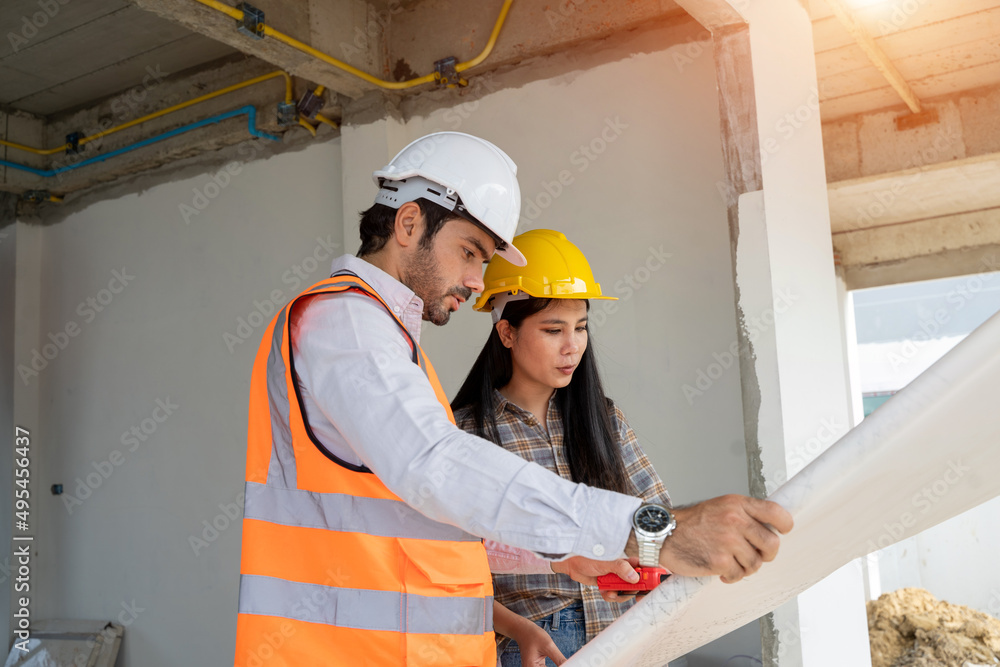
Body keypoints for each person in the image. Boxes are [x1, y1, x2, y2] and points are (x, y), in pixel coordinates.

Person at [233, 131, 793, 666]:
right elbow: (435, 466)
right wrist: (648, 530)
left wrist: (557, 554)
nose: (479, 281)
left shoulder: (387, 340)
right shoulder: (347, 323)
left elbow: (417, 523)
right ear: (408, 222)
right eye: (471, 252)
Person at [452, 229, 677, 665]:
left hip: (626, 631)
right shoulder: (464, 432)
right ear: (507, 333)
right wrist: (517, 628)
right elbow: (453, 563)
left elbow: (658, 516)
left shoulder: (603, 418)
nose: (572, 346)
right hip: (538, 643)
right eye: (553, 329)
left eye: (581, 327)